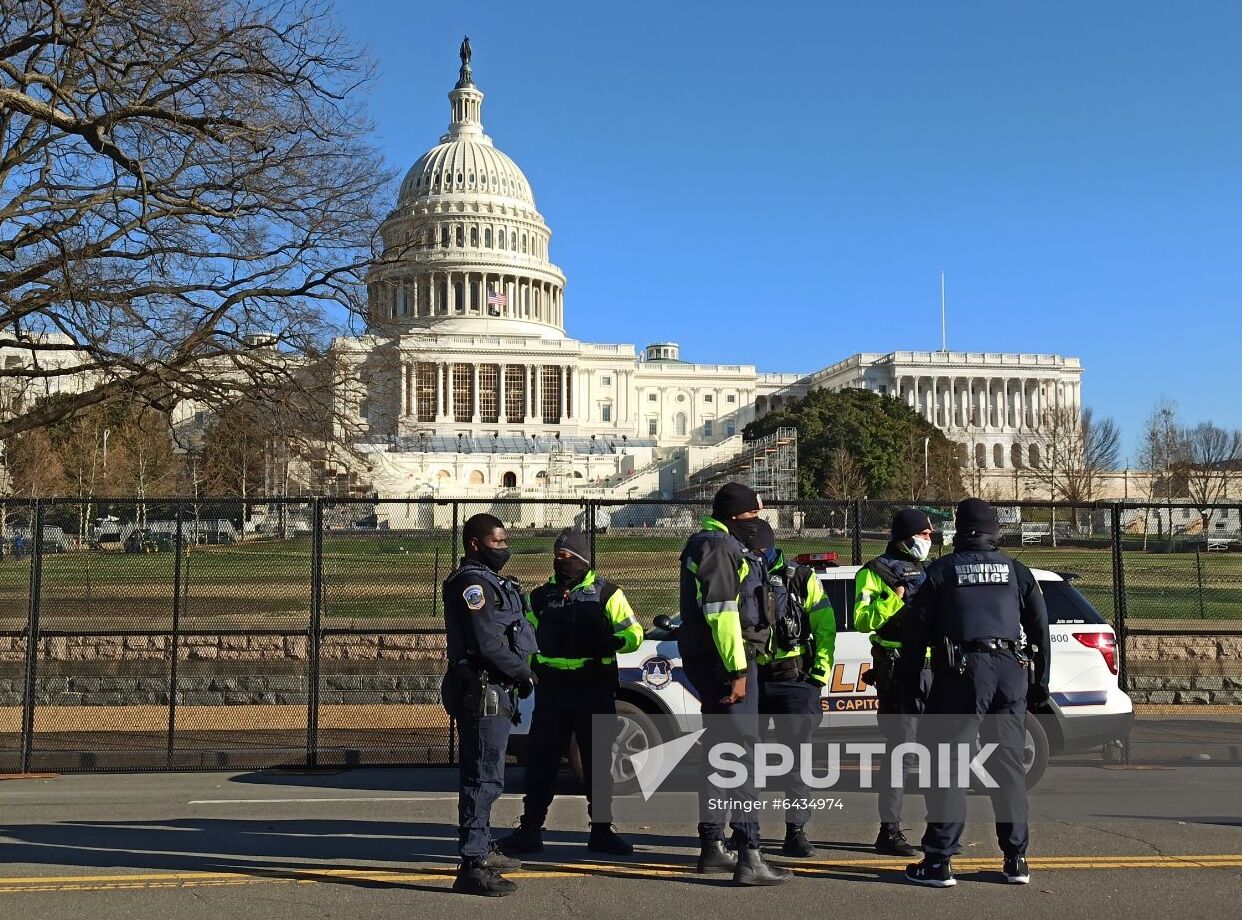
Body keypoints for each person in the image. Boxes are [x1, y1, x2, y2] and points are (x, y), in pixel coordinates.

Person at [899, 498, 1050, 888]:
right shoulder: (1017, 571)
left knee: (947, 768)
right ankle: (1016, 860)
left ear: (958, 530)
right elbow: (1039, 630)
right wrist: (1040, 683)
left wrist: (911, 686)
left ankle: (938, 862)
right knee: (1008, 769)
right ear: (994, 530)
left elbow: (915, 636)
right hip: (1010, 671)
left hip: (962, 673)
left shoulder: (941, 571)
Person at [499, 529, 644, 857]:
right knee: (542, 763)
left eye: (568, 556)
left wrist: (612, 641)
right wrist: (527, 666)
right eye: (558, 555)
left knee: (597, 764)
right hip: (553, 690)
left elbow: (635, 633)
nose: (561, 561)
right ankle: (530, 829)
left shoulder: (608, 593)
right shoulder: (539, 597)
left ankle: (602, 832)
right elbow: (525, 637)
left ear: (582, 559)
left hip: (594, 687)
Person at [677, 482, 792, 887]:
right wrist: (739, 670)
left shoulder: (706, 542)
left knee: (720, 754)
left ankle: (712, 846)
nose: (757, 522)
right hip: (728, 660)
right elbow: (723, 614)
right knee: (742, 757)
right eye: (753, 515)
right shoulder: (720, 547)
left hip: (713, 659)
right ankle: (749, 853)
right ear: (736, 515)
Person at [441, 513, 539, 897]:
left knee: (491, 777)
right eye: (497, 542)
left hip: (499, 689)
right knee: (482, 779)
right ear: (475, 544)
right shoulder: (472, 585)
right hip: (484, 690)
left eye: (505, 541)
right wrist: (524, 673)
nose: (504, 548)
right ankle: (472, 864)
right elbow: (487, 643)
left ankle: (482, 847)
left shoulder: (494, 582)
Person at [748, 519, 836, 858]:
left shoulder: (799, 576)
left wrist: (818, 676)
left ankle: (795, 830)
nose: (756, 553)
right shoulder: (740, 573)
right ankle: (746, 832)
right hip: (753, 676)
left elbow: (825, 625)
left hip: (794, 679)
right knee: (743, 759)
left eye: (760, 548)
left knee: (796, 762)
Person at [853, 508, 935, 857]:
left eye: (931, 535)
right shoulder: (874, 571)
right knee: (901, 752)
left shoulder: (930, 570)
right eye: (925, 534)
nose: (929, 540)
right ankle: (889, 831)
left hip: (932, 666)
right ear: (907, 535)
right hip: (897, 667)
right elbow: (861, 618)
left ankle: (940, 831)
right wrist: (894, 597)